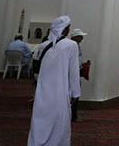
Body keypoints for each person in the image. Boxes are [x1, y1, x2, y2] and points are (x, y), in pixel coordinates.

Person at [27, 15, 80, 146]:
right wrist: (76, 93)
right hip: (60, 90)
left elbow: (36, 68)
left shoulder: (42, 45)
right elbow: (74, 71)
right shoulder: (72, 45)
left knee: (41, 117)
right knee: (59, 120)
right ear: (65, 29)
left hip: (42, 90)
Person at [69, 28, 88, 122]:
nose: (82, 38)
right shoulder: (72, 46)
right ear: (75, 37)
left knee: (75, 94)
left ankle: (73, 115)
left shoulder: (77, 46)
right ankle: (72, 116)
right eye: (80, 36)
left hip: (77, 72)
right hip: (73, 74)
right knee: (73, 95)